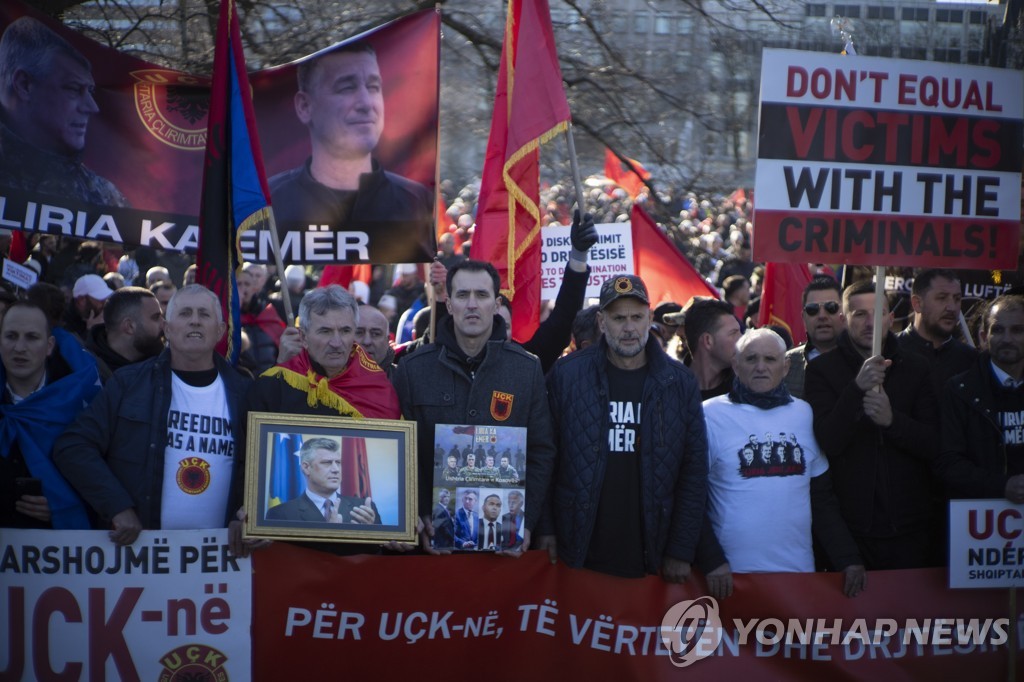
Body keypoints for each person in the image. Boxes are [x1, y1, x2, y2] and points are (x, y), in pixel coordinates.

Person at [538, 274, 708, 581]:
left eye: (636, 317)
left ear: (649, 319)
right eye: (618, 318)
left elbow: (693, 471)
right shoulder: (567, 375)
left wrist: (681, 549)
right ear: (602, 322)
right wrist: (546, 528)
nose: (628, 327)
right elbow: (547, 456)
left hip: (650, 546)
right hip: (576, 543)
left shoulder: (679, 383)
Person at [53, 285, 252, 545]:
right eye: (184, 313)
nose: (194, 320)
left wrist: (247, 514)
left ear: (220, 330)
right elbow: (73, 446)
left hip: (219, 562)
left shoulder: (246, 392)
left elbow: (258, 467)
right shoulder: (128, 383)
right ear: (167, 329)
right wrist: (117, 506)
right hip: (143, 558)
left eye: (204, 314)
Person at [392, 260, 556, 554]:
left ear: (496, 304)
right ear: (449, 303)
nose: (471, 304)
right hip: (432, 542)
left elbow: (541, 451)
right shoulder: (412, 369)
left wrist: (525, 521)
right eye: (462, 295)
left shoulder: (526, 369)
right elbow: (404, 452)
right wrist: (417, 514)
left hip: (503, 545)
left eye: (481, 295)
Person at [699, 329, 865, 600]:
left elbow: (821, 499)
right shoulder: (709, 415)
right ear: (735, 364)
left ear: (786, 366)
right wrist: (711, 560)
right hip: (731, 579)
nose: (761, 367)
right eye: (751, 359)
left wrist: (847, 558)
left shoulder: (804, 413)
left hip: (797, 576)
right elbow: (692, 498)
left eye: (770, 359)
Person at [804, 280, 940, 569]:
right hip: (853, 530)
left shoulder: (917, 368)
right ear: (844, 318)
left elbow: (934, 443)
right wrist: (855, 390)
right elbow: (828, 441)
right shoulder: (820, 371)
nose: (870, 323)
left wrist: (892, 422)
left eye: (878, 313)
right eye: (860, 314)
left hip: (912, 527)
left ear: (891, 318)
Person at [268, 41, 433, 261]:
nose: (366, 103)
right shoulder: (266, 202)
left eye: (374, 87)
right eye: (347, 88)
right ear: (304, 106)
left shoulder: (417, 201)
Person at [0, 17, 127, 207]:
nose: (92, 107)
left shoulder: (102, 194)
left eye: (89, 91)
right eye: (74, 88)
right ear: (24, 85)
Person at [0, 301, 100, 529]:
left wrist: (63, 504)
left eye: (32, 337)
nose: (19, 348)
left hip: (56, 551)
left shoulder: (81, 402)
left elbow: (103, 475)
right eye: (11, 336)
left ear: (49, 345)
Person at [246, 285, 400, 420]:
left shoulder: (378, 387)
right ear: (304, 337)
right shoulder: (273, 387)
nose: (336, 343)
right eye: (325, 331)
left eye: (345, 331)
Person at [937, 295, 1024, 502]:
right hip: (979, 521)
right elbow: (948, 463)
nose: (1007, 339)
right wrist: (1001, 486)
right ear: (984, 337)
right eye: (998, 330)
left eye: (1018, 330)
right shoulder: (959, 391)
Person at [897, 268, 978, 396]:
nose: (951, 307)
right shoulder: (889, 351)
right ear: (917, 304)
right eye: (942, 298)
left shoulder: (971, 360)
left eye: (957, 299)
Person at [265, 437, 380, 524]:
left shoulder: (364, 510)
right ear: (306, 467)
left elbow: (382, 553)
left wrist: (370, 534)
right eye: (327, 463)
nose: (336, 470)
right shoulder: (280, 514)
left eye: (338, 463)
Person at [86, 286, 165, 382]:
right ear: (129, 326)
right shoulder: (87, 374)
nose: (164, 324)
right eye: (156, 317)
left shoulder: (163, 364)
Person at [784, 275, 845, 399]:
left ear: (845, 314)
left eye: (831, 307)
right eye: (813, 309)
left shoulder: (862, 360)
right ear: (803, 317)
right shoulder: (786, 363)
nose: (822, 315)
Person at [683, 296, 741, 400]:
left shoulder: (744, 389)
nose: (742, 339)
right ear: (708, 341)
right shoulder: (668, 390)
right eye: (734, 333)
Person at [237, 264, 285, 376]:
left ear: (254, 288)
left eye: (247, 284)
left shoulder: (267, 314)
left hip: (268, 381)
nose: (243, 288)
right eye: (239, 284)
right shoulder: (227, 318)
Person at [67, 273, 111, 343]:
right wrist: (91, 330)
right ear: (81, 301)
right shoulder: (65, 324)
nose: (104, 304)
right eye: (100, 300)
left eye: (106, 299)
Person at [355, 303, 394, 374]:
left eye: (376, 334)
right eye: (359, 332)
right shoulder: (329, 379)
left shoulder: (404, 380)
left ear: (387, 341)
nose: (367, 341)